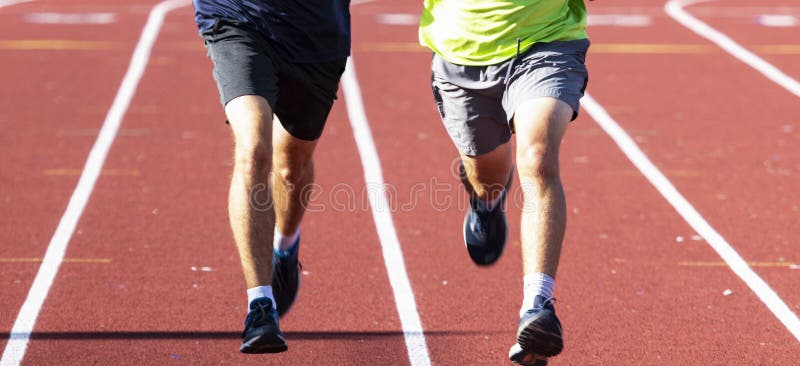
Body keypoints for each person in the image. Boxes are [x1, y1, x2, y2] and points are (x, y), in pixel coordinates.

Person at [419, 1, 590, 364]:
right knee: (487, 177)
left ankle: (537, 306)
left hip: (546, 43)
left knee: (539, 158)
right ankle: (486, 202)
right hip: (461, 54)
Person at [192, 0, 350, 354]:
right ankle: (260, 306)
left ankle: (287, 244)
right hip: (236, 19)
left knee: (291, 166)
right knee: (253, 151)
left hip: (316, 36)